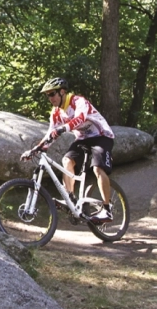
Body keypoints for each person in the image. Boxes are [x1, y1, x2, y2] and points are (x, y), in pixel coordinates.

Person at [24, 77, 116, 223]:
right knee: (67, 160)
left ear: (62, 92)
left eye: (52, 94)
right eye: (47, 95)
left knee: (98, 169)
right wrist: (35, 149)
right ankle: (71, 199)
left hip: (101, 136)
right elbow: (50, 133)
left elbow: (80, 118)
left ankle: (107, 210)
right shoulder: (56, 112)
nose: (50, 98)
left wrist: (63, 128)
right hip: (82, 139)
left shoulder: (78, 101)